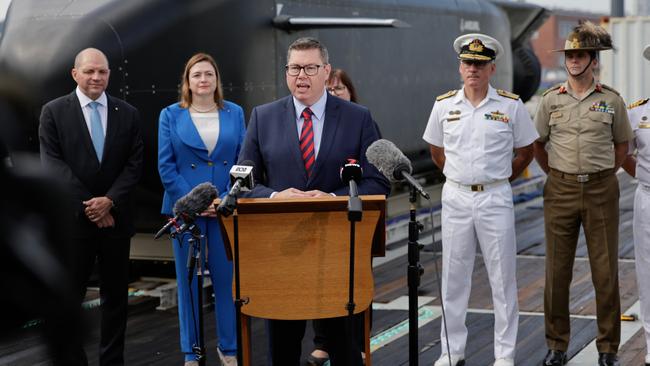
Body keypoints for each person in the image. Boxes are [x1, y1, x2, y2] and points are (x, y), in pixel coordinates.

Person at [238, 37, 390, 366]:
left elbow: (377, 182)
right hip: (281, 254)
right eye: (294, 68)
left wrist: (333, 199)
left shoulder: (357, 118)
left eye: (309, 67)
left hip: (338, 254)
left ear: (326, 72)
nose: (301, 75)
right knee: (283, 350)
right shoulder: (263, 118)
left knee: (344, 348)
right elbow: (243, 184)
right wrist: (277, 196)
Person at [422, 33, 538, 366]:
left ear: (491, 69)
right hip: (456, 196)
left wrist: (499, 178)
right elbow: (436, 150)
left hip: (495, 197)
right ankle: (451, 351)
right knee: (453, 277)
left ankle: (504, 355)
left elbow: (527, 149)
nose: (473, 69)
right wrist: (461, 177)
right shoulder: (444, 105)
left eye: (480, 64)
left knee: (503, 278)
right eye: (468, 63)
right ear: (460, 68)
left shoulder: (509, 105)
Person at [533, 21, 632, 366]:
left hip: (602, 189)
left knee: (605, 272)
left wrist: (601, 174)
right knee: (556, 273)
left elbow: (622, 145)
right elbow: (538, 145)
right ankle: (556, 346)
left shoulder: (612, 101)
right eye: (570, 55)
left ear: (593, 60)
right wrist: (559, 175)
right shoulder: (549, 102)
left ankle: (608, 349)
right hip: (559, 190)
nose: (574, 60)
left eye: (580, 55)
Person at [38, 47, 143, 366]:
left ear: (110, 74)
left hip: (116, 221)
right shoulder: (53, 112)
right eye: (89, 71)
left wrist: (109, 201)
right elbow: (52, 164)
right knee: (69, 299)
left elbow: (134, 164)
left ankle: (112, 361)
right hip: (74, 222)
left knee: (116, 301)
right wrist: (92, 207)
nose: (96, 77)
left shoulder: (128, 113)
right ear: (75, 74)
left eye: (102, 71)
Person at [158, 53, 245, 366]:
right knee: (188, 283)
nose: (203, 80)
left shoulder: (235, 113)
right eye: (197, 75)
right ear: (188, 81)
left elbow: (242, 159)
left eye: (209, 74)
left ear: (217, 80)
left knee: (227, 281)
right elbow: (166, 167)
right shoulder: (169, 115)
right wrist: (195, 202)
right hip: (185, 212)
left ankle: (230, 349)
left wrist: (223, 199)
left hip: (224, 208)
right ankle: (191, 352)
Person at [306, 67, 370, 366]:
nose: (335, 94)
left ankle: (355, 342)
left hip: (350, 216)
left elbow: (374, 174)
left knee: (352, 283)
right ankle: (323, 343)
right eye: (329, 90)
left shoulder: (359, 120)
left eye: (339, 89)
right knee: (319, 280)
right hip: (317, 216)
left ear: (350, 91)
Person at [622, 44, 650, 366]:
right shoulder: (638, 112)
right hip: (647, 198)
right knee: (647, 273)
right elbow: (623, 153)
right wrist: (643, 176)